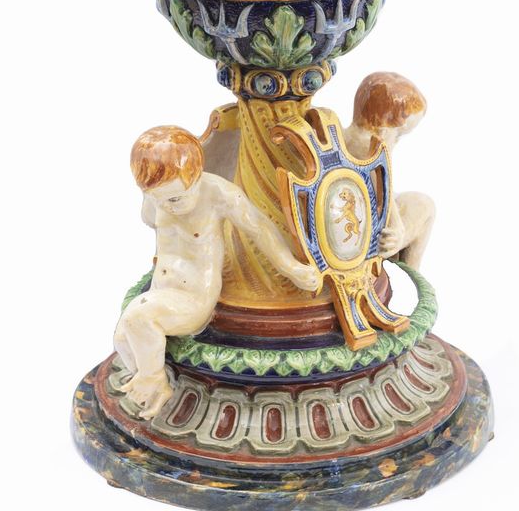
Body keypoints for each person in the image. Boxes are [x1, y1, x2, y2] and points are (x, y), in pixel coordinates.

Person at [113, 125, 320, 418]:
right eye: (156, 198)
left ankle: (155, 381)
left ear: (196, 176)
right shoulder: (158, 193)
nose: (166, 207)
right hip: (161, 291)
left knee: (138, 318)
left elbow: (259, 229)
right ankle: (157, 386)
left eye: (175, 199)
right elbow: (152, 218)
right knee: (123, 339)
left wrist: (292, 268)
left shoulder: (218, 193)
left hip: (193, 298)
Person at [344, 72, 436, 270]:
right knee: (425, 206)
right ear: (386, 126)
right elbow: (385, 201)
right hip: (371, 235)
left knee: (412, 200)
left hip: (353, 212)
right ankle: (410, 273)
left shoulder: (342, 135)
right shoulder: (373, 151)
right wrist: (398, 230)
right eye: (399, 135)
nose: (396, 141)